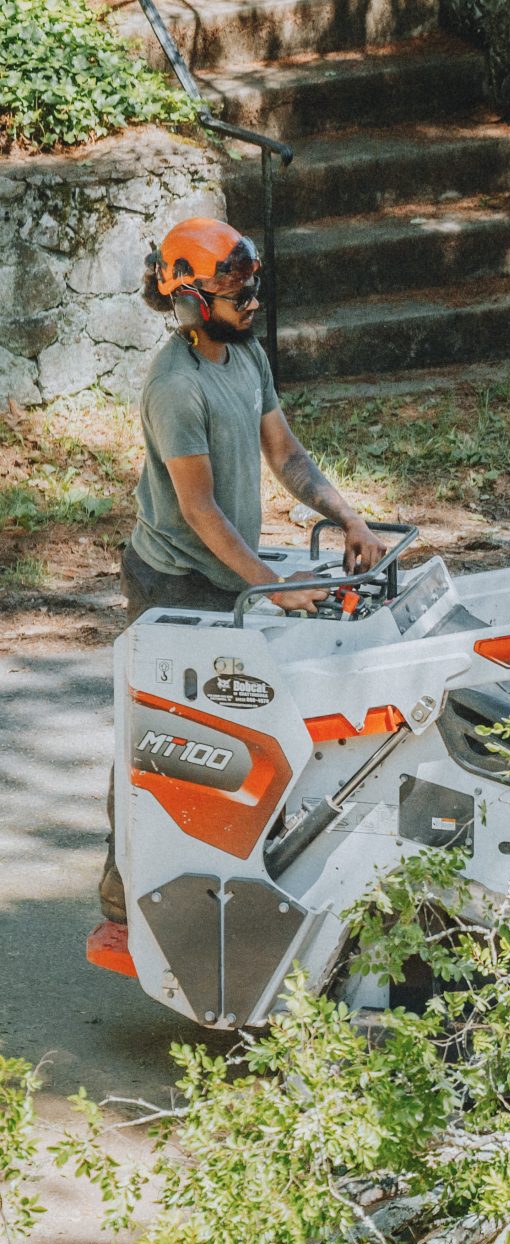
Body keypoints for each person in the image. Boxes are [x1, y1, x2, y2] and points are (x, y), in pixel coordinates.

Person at [86, 217, 388, 977]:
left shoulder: (245, 355)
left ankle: (237, 871)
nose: (252, 298)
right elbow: (199, 511)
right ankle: (124, 897)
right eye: (235, 287)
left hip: (230, 575)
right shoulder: (173, 386)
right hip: (173, 581)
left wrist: (348, 515)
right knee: (159, 738)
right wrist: (271, 583)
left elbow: (284, 453)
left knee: (246, 730)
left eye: (250, 284)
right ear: (189, 298)